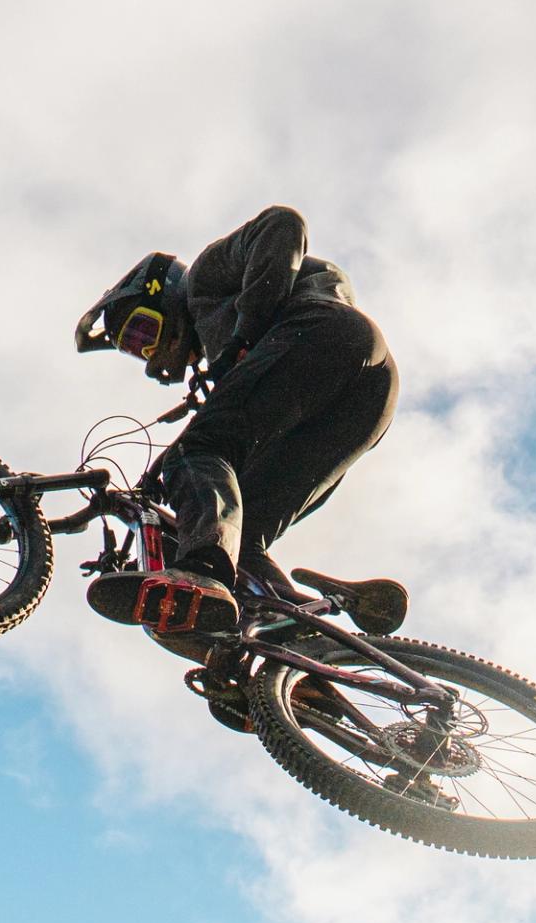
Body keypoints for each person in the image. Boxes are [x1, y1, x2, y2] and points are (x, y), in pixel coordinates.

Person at [72, 206, 407, 645]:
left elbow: (283, 224)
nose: (150, 355)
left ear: (165, 298)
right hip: (366, 398)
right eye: (135, 350)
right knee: (244, 537)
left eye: (143, 330)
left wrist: (244, 336)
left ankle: (204, 570)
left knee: (199, 452)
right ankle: (306, 662)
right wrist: (160, 475)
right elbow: (228, 438)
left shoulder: (204, 280)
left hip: (322, 331)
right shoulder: (232, 357)